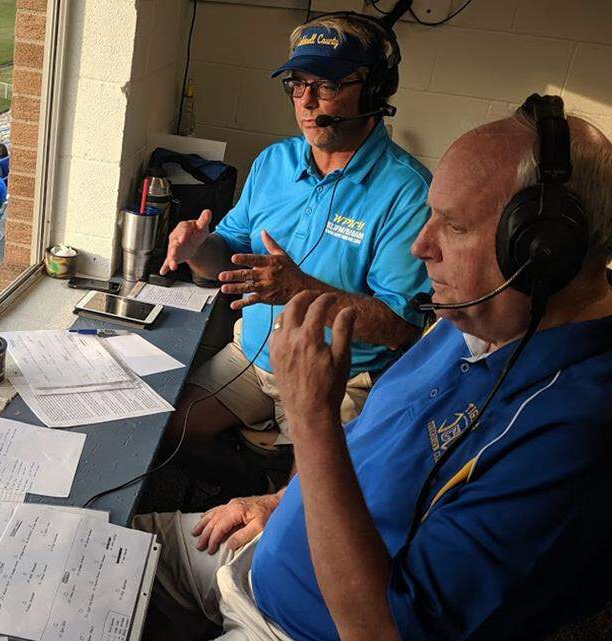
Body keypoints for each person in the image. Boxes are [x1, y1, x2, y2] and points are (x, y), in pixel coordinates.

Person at [137, 101, 612, 641]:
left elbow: (381, 632)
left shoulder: (582, 435)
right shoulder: (477, 317)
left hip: (297, 628)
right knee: (90, 540)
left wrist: (312, 416)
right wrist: (278, 503)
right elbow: (365, 444)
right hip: (263, 551)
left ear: (542, 251)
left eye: (454, 226)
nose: (421, 247)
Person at [159, 14, 431, 454]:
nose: (306, 100)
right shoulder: (273, 162)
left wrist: (300, 289)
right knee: (166, 435)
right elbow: (227, 260)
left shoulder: (408, 192)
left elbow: (400, 328)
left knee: (309, 491)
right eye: (297, 84)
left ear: (375, 91)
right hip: (252, 358)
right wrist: (198, 249)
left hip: (341, 381)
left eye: (327, 85)